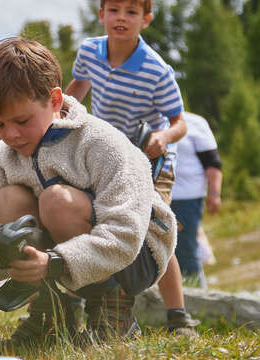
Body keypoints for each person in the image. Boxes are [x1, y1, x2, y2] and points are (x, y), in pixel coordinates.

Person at [0, 37, 176, 349]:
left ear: (55, 100)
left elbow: (126, 233)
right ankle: (50, 315)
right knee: (6, 202)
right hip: (65, 255)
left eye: (22, 121)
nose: (10, 135)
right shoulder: (1, 157)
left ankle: (112, 311)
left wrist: (53, 263)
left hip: (137, 253)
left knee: (56, 202)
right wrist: (0, 254)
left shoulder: (103, 144)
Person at [64, 0, 199, 335]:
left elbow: (180, 122)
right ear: (101, 15)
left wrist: (163, 136)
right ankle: (83, 305)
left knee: (155, 234)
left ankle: (178, 316)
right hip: (105, 158)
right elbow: (77, 89)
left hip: (152, 160)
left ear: (146, 20)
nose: (121, 18)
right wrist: (59, 118)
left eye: (131, 12)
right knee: (94, 223)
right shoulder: (90, 51)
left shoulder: (157, 70)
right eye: (114, 10)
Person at [170, 112, 222, 289]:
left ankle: (197, 297)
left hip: (186, 198)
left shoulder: (195, 122)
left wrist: (214, 195)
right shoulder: (148, 119)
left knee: (184, 249)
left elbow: (213, 163)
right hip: (155, 196)